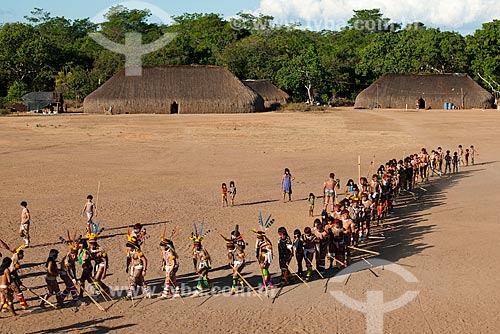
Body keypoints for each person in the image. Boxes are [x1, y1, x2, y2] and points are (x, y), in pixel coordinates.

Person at [126, 235, 151, 299]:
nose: (127, 248)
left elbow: (145, 260)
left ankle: (131, 293)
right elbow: (128, 259)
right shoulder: (129, 252)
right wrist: (127, 266)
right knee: (140, 281)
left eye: (129, 246)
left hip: (139, 266)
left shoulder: (138, 252)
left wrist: (144, 270)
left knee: (133, 279)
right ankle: (147, 291)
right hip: (133, 267)